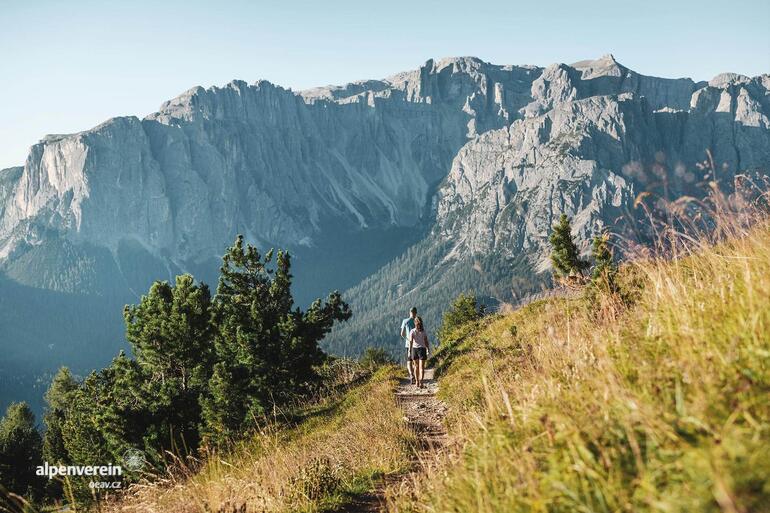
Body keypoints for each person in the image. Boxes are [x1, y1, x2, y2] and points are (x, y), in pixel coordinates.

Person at [408, 316, 431, 388]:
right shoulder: (423, 331)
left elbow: (411, 342)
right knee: (422, 367)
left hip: (415, 349)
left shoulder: (412, 331)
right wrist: (428, 349)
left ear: (415, 323)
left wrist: (409, 350)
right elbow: (426, 341)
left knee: (416, 367)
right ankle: (421, 382)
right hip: (422, 349)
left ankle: (417, 381)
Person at [400, 307, 418, 384]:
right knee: (415, 361)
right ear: (416, 313)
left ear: (409, 312)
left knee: (409, 361)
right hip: (417, 344)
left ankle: (411, 375)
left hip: (408, 344)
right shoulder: (417, 321)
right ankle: (416, 375)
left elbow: (402, 334)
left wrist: (407, 339)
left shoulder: (405, 321)